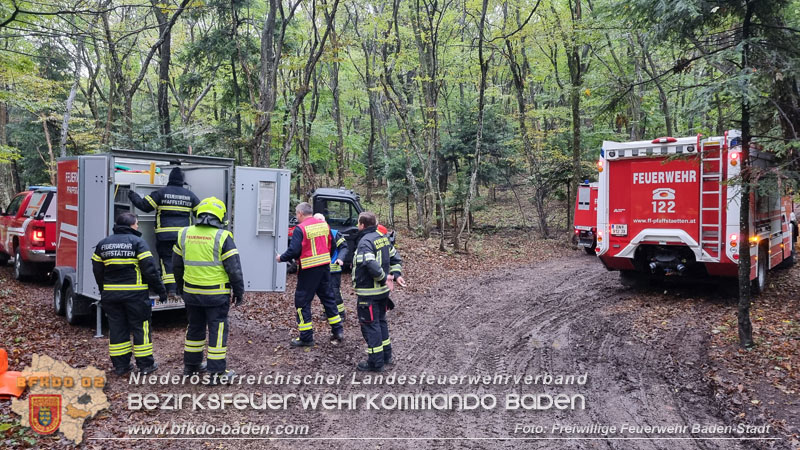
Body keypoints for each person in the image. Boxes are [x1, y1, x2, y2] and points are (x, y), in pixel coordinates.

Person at [172, 197, 244, 383]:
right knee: (217, 330)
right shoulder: (223, 237)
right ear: (219, 216)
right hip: (215, 294)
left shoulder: (184, 233)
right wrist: (239, 292)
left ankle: (191, 366)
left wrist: (181, 288)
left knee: (194, 327)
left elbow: (176, 266)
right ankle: (217, 373)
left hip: (191, 293)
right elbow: (234, 269)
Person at [92, 213, 166, 376]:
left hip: (111, 295)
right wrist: (161, 290)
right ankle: (146, 365)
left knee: (117, 329)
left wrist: (103, 289)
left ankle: (121, 366)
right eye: (137, 224)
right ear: (131, 225)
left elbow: (97, 269)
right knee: (141, 327)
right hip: (135, 295)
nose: (138, 226)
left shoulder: (103, 244)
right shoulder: (138, 242)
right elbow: (150, 270)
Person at [276, 203, 344, 347]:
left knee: (302, 302)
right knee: (328, 299)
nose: (296, 216)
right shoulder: (324, 225)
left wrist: (281, 258)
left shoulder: (300, 229)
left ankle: (306, 337)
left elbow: (294, 250)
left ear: (300, 213)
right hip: (325, 268)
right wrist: (324, 260)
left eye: (296, 214)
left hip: (308, 270)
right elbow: (331, 246)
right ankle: (338, 331)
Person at [129, 167, 200, 297]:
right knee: (182, 261)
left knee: (167, 261)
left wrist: (132, 195)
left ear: (170, 179)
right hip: (184, 237)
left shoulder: (161, 192)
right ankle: (181, 289)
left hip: (165, 236)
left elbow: (144, 206)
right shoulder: (190, 195)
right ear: (182, 181)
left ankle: (171, 289)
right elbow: (200, 213)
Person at [352, 211, 405, 372]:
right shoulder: (383, 238)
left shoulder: (365, 242)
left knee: (370, 325)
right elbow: (396, 258)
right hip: (382, 293)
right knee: (381, 322)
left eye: (358, 224)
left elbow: (370, 263)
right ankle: (386, 355)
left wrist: (385, 278)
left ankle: (375, 362)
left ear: (362, 225)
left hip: (369, 293)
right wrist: (396, 275)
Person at [313, 213, 349, 320]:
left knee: (334, 291)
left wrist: (340, 258)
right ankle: (327, 312)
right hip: (320, 268)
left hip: (334, 268)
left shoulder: (334, 233)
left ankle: (341, 313)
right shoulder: (313, 234)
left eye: (320, 221)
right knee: (324, 292)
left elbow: (344, 247)